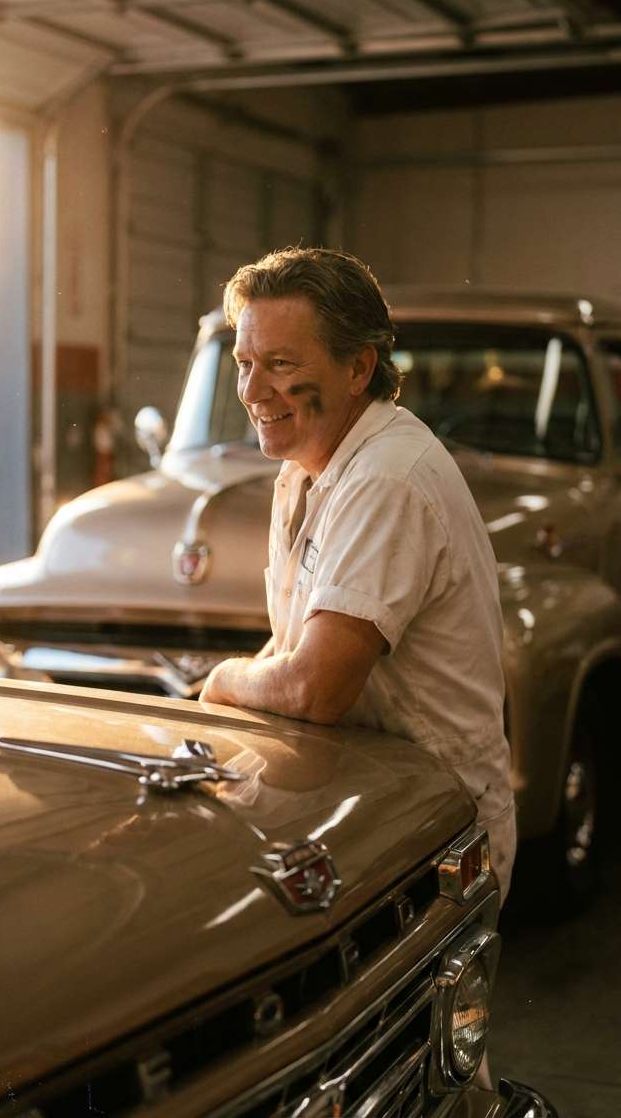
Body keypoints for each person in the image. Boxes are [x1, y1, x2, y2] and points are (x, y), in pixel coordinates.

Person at [200, 247, 515, 905]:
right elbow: (291, 651)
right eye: (245, 364)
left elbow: (316, 687)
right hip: (370, 801)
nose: (254, 392)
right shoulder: (307, 469)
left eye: (282, 365)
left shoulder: (387, 480)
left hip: (441, 828)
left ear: (358, 367)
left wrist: (223, 681)